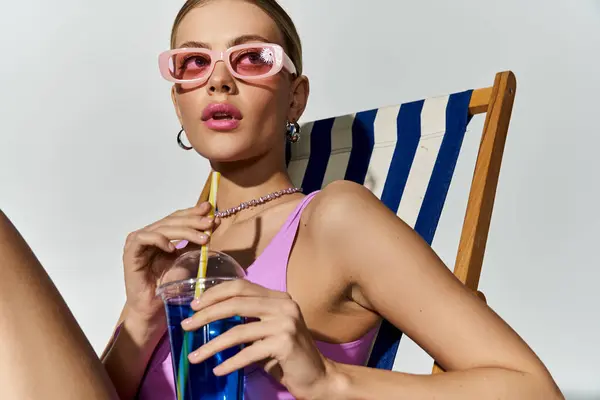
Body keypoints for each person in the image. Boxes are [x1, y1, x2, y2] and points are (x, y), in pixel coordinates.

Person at [0, 0, 563, 399]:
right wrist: (141, 320)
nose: (219, 82)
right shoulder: (180, 251)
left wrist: (327, 380)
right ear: (178, 103)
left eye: (251, 58)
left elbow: (532, 389)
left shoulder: (336, 219)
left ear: (296, 97)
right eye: (193, 64)